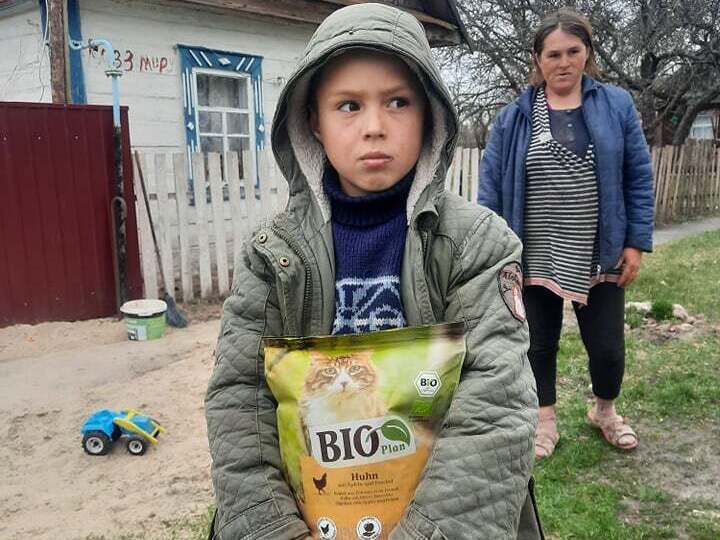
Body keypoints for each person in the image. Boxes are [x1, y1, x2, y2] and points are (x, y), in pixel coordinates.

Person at [205, 3, 542, 539]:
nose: (374, 128)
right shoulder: (271, 255)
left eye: (398, 102)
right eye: (348, 105)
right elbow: (239, 400)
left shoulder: (476, 244)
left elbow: (495, 406)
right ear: (312, 122)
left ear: (430, 114)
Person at [479, 8, 654, 460]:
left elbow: (637, 176)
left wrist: (635, 242)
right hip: (533, 251)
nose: (563, 62)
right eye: (553, 54)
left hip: (600, 249)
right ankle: (545, 421)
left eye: (573, 51)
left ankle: (605, 411)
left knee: (608, 347)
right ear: (537, 59)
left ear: (587, 53)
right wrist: (496, 251)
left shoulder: (615, 105)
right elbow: (491, 186)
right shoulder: (515, 116)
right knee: (538, 342)